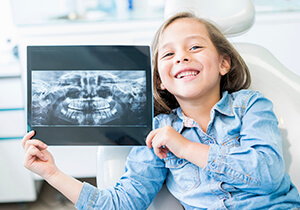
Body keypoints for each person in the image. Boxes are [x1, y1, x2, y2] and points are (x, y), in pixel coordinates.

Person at [22, 12, 300, 209]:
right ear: (159, 80)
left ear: (224, 63)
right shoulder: (155, 133)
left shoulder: (251, 106)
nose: (181, 56)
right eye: (168, 54)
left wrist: (185, 147)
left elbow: (268, 174)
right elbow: (121, 204)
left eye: (195, 47)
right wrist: (52, 173)